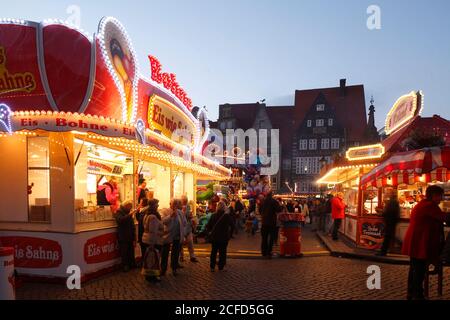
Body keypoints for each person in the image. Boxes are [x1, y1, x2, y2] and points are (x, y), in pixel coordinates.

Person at [402, 185, 450, 300]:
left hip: (416, 240)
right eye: (440, 196)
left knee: (414, 267)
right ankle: (417, 295)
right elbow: (444, 217)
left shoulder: (423, 204)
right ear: (433, 195)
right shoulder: (429, 206)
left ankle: (411, 292)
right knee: (419, 269)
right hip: (419, 241)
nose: (441, 198)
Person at [160, 199, 186, 276]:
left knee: (175, 253)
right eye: (174, 204)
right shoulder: (165, 211)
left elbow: (184, 222)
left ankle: (174, 268)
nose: (175, 205)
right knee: (165, 253)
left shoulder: (180, 212)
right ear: (170, 204)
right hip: (168, 235)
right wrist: (170, 216)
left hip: (177, 236)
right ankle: (163, 269)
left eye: (177, 204)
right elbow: (163, 221)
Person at [206, 201, 234, 272]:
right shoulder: (226, 216)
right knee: (222, 252)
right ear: (224, 207)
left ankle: (212, 266)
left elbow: (208, 226)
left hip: (214, 237)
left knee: (213, 252)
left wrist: (210, 232)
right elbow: (232, 224)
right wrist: (230, 234)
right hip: (223, 237)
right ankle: (221, 267)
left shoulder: (213, 215)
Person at [141, 199, 163, 283]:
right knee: (153, 259)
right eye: (157, 204)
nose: (158, 206)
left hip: (147, 239)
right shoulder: (153, 217)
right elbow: (152, 231)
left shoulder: (147, 214)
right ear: (153, 206)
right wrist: (152, 244)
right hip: (153, 241)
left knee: (149, 259)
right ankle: (152, 276)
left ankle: (149, 275)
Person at [376, 192, 400, 256]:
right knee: (390, 236)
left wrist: (381, 213)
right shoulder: (396, 202)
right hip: (392, 222)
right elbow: (395, 213)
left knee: (387, 237)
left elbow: (387, 212)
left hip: (389, 222)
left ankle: (383, 252)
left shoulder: (390, 202)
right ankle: (387, 250)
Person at [115, 200, 136, 272]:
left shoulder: (127, 212)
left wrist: (134, 235)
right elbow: (120, 220)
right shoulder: (119, 211)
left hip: (129, 235)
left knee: (131, 251)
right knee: (124, 252)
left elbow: (131, 224)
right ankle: (125, 265)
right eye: (129, 207)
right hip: (123, 235)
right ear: (125, 206)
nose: (130, 208)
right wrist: (130, 215)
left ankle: (132, 264)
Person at [260, 192, 281, 258]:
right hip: (272, 222)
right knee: (271, 238)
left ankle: (263, 252)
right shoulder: (274, 201)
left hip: (264, 222)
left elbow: (260, 210)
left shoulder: (262, 202)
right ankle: (269, 252)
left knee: (264, 238)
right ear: (272, 195)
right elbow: (278, 210)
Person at [181, 196, 198, 263]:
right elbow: (181, 216)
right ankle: (181, 256)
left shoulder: (188, 206)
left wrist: (191, 218)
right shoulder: (180, 207)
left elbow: (189, 216)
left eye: (186, 201)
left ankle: (192, 256)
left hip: (188, 227)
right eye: (184, 201)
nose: (185, 202)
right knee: (181, 243)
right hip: (182, 228)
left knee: (190, 242)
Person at [136, 198, 149, 262]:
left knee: (144, 249)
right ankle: (144, 262)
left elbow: (140, 221)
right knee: (144, 249)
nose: (139, 204)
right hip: (143, 234)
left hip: (144, 234)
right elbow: (138, 219)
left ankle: (145, 263)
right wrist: (138, 210)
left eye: (140, 202)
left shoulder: (146, 211)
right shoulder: (143, 211)